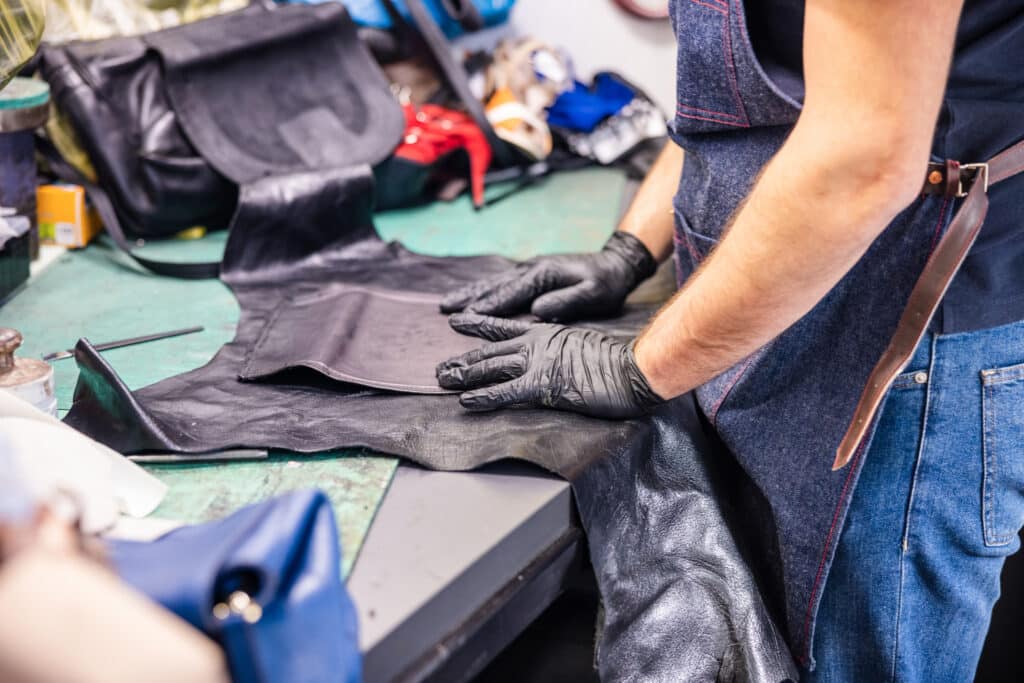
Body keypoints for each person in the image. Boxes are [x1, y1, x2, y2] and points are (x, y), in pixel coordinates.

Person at [437, 0, 1024, 679]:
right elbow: (737, 112)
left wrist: (636, 367)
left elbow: (865, 156)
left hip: (902, 368)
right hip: (768, 334)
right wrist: (631, 248)